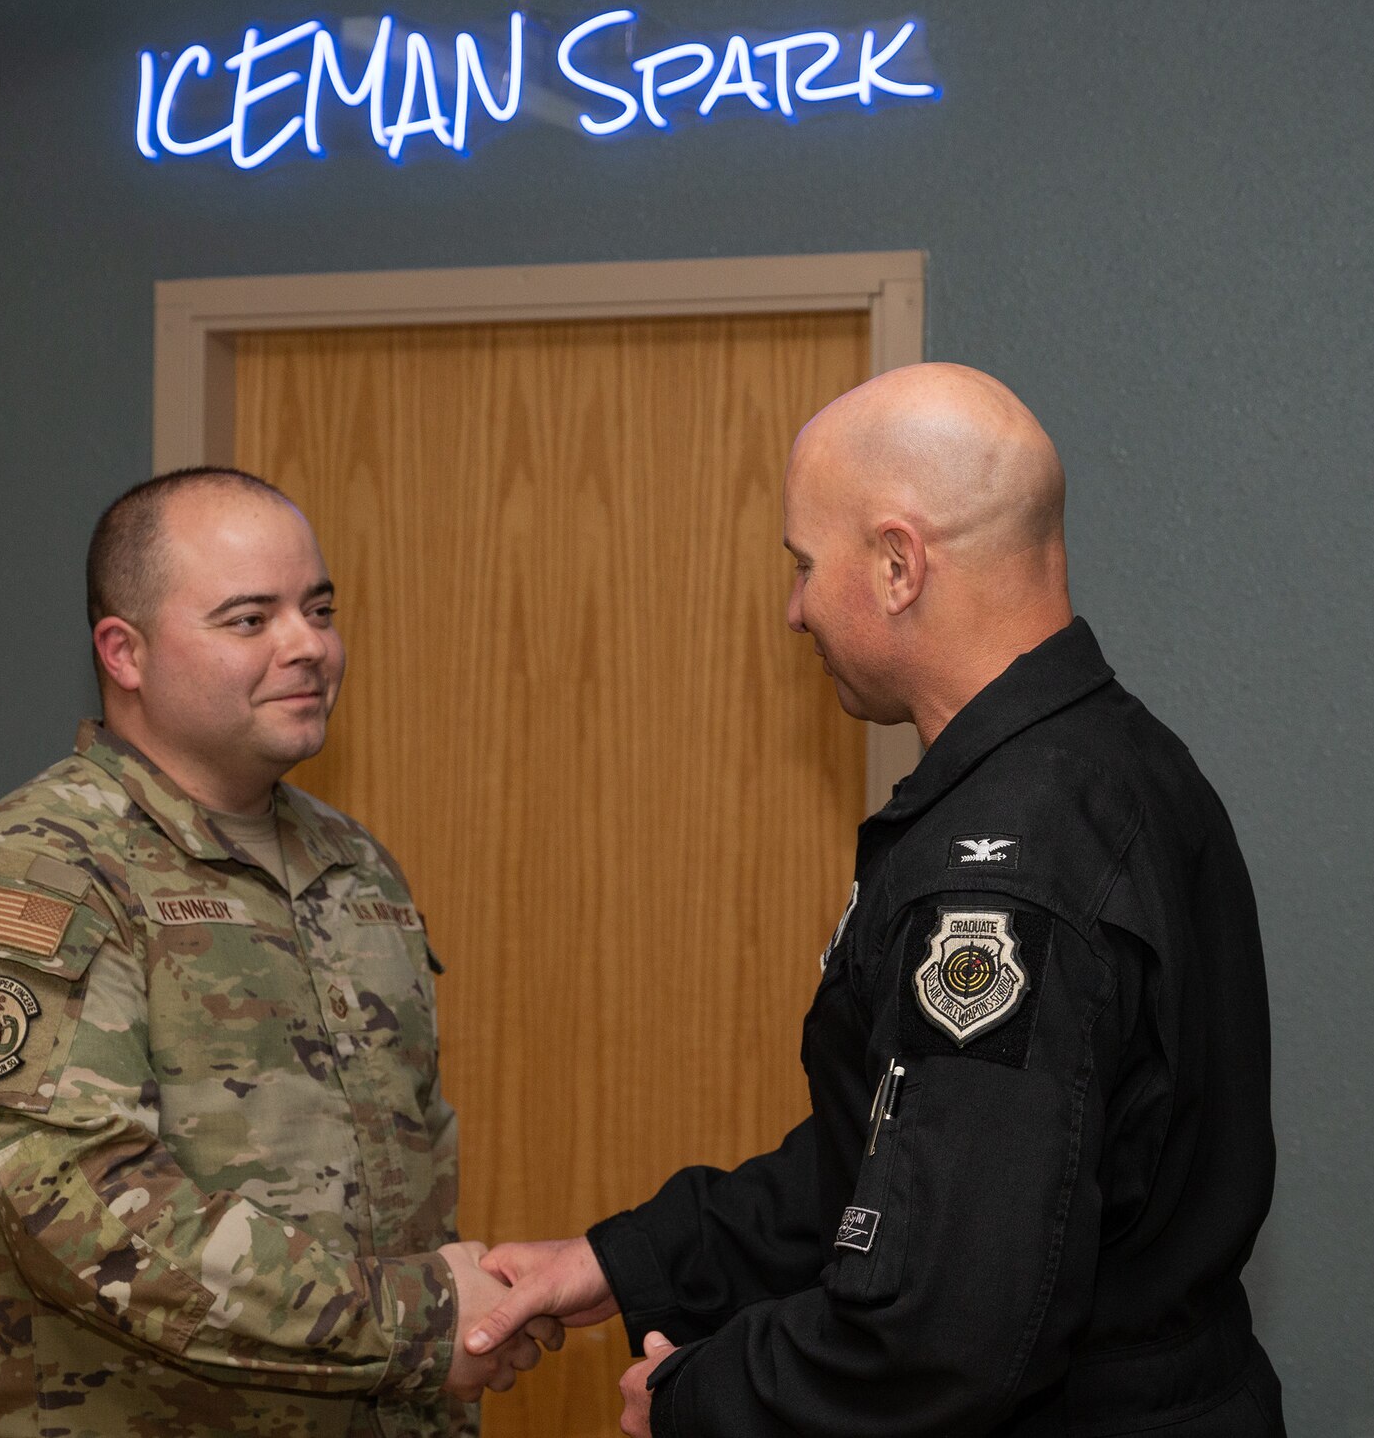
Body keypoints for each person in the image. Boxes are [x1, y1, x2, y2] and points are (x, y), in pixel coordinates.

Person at [465, 364, 1286, 1437]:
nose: (793, 609)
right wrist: (625, 1260)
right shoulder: (1112, 762)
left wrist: (698, 1397)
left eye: (805, 565)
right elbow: (892, 1158)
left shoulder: (1003, 871)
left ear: (898, 563)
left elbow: (939, 1330)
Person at [0, 468, 553, 1437]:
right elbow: (98, 1226)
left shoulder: (351, 863)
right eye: (249, 619)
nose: (308, 646)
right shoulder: (37, 877)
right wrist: (421, 1322)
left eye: (317, 608)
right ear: (124, 651)